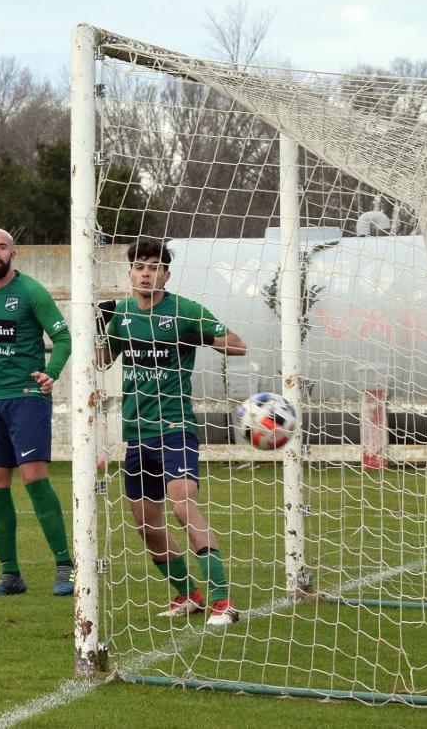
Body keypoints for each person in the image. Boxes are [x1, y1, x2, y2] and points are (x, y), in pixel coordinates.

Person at [97, 238, 246, 626]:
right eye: (140, 266)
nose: (146, 273)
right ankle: (188, 595)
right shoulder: (122, 314)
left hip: (176, 428)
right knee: (147, 527)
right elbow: (101, 362)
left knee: (183, 506)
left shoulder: (184, 311)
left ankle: (222, 601)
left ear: (166, 273)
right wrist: (99, 329)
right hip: (136, 433)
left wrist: (199, 337)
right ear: (131, 273)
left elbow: (237, 345)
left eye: (154, 266)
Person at [0, 228, 74, 597]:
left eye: (2, 247)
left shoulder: (31, 292)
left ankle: (66, 566)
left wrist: (51, 374)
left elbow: (64, 338)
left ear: (13, 254)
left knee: (34, 479)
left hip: (27, 397)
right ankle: (11, 575)